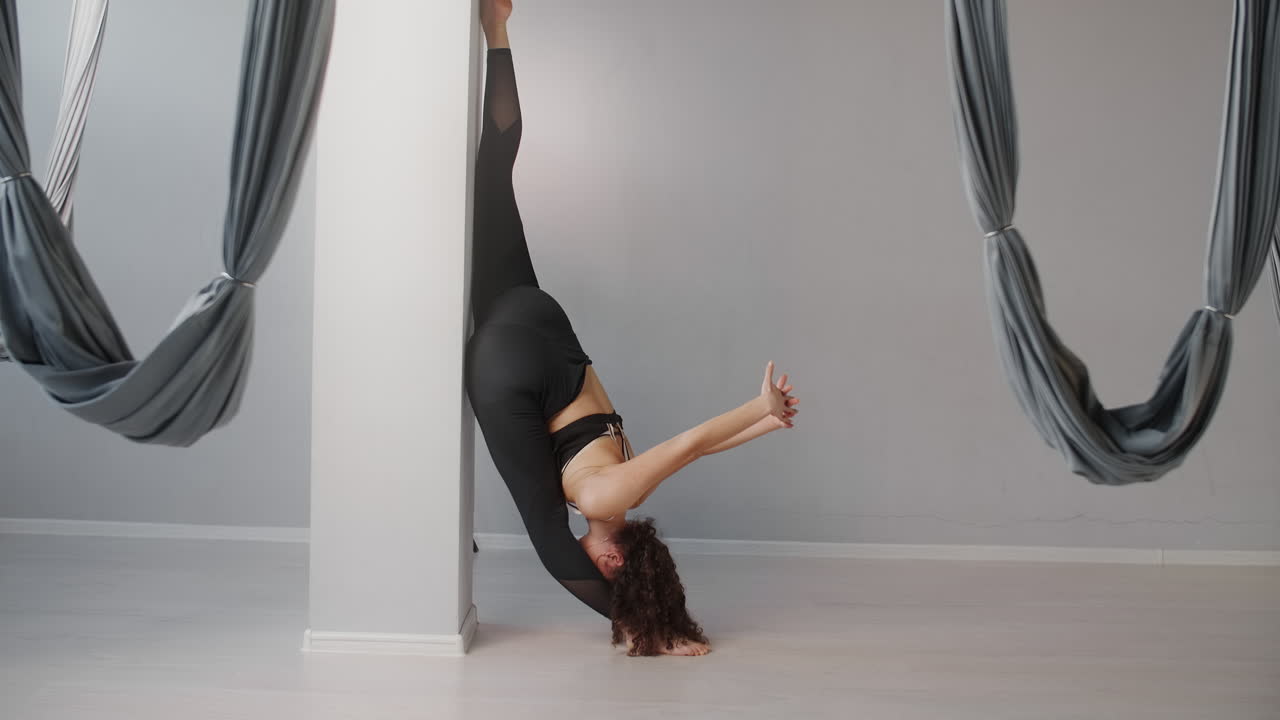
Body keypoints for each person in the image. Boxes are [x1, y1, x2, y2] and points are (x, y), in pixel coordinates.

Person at [466, 0, 799, 657]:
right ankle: (497, 31)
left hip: (540, 319)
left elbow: (696, 451)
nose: (591, 565)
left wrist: (766, 423)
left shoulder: (624, 478)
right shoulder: (604, 493)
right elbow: (695, 439)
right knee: (542, 526)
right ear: (615, 562)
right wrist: (652, 626)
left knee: (492, 176)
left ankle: (497, 28)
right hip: (507, 360)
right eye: (605, 573)